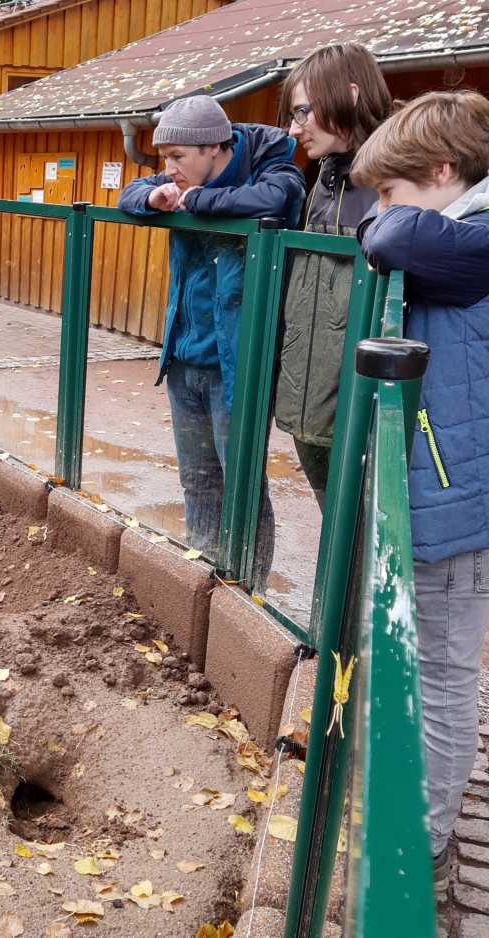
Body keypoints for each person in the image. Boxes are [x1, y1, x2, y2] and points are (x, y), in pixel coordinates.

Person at [352, 89, 489, 902]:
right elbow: (393, 226)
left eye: (392, 187)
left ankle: (427, 845)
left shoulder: (474, 240)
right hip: (451, 480)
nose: (381, 208)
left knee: (441, 674)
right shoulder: (461, 232)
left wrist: (383, 222)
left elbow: (393, 234)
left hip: (459, 494)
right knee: (432, 662)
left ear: (443, 171)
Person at [118, 95, 304, 585]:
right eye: (165, 158)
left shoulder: (272, 172)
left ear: (215, 149)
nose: (169, 169)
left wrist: (195, 202)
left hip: (237, 366)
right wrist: (150, 197)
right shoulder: (177, 181)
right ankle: (204, 576)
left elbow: (273, 201)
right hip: (184, 360)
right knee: (197, 479)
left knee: (240, 481)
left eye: (178, 157)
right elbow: (130, 194)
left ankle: (247, 589)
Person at [273, 43, 393, 509]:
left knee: (362, 528)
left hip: (360, 408)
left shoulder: (395, 181)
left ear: (349, 93)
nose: (293, 128)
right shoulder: (320, 178)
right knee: (335, 517)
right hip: (313, 404)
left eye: (302, 111)